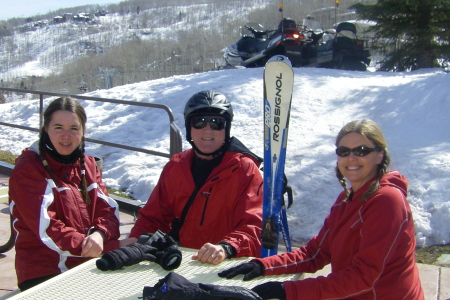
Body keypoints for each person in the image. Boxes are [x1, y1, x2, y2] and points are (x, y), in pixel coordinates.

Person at [219, 119, 424, 300]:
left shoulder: (387, 201)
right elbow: (315, 253)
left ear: (379, 155)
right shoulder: (346, 199)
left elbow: (363, 277)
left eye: (361, 151)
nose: (351, 158)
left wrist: (288, 290)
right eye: (344, 151)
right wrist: (263, 266)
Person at [123, 90, 263, 265]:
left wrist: (226, 247)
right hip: (184, 260)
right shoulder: (176, 166)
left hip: (228, 262)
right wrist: (136, 241)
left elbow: (255, 227)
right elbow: (153, 217)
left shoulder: (245, 170)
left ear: (226, 129)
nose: (207, 130)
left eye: (217, 123)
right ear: (190, 128)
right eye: (199, 122)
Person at [9, 97, 121, 291]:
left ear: (83, 131)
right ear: (46, 129)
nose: (66, 136)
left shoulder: (87, 164)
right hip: (44, 272)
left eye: (74, 128)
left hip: (86, 263)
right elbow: (49, 229)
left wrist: (101, 234)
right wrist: (103, 247)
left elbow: (108, 210)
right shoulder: (28, 169)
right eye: (58, 127)